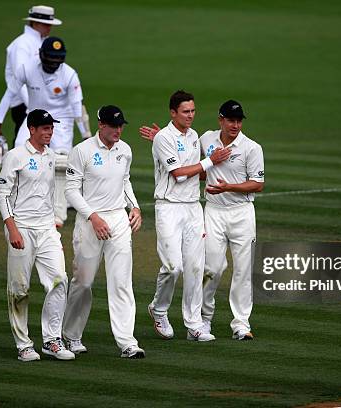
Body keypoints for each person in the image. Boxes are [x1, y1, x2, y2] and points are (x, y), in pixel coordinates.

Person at [146, 90, 230, 342]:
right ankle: (158, 310)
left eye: (193, 111)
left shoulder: (193, 136)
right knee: (173, 267)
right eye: (185, 111)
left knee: (195, 267)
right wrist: (210, 161)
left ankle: (194, 325)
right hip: (169, 208)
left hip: (193, 207)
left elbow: (195, 173)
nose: (191, 116)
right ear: (173, 112)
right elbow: (180, 174)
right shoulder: (163, 137)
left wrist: (216, 175)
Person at [62, 105, 145, 359]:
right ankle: (71, 335)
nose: (118, 130)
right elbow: (71, 191)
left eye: (121, 126)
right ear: (101, 125)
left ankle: (127, 342)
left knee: (121, 282)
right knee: (83, 282)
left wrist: (136, 207)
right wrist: (93, 217)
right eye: (113, 126)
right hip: (90, 221)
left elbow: (125, 180)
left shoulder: (125, 150)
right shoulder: (82, 151)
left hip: (119, 220)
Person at [0, 109, 74, 362]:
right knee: (19, 289)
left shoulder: (52, 156)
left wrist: (55, 220)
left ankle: (52, 340)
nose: (50, 132)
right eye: (45, 128)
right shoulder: (15, 156)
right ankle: (23, 345)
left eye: (51, 128)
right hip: (21, 229)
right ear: (31, 130)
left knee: (60, 280)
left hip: (47, 230)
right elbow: (2, 195)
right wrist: (12, 229)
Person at [199, 100, 265, 340]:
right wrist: (161, 139)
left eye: (238, 121)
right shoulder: (206, 139)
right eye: (231, 120)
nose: (235, 125)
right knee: (212, 268)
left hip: (242, 213)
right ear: (221, 120)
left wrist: (229, 187)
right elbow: (195, 164)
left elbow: (257, 184)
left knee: (243, 271)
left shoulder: (251, 148)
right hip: (213, 212)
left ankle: (241, 323)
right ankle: (204, 319)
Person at [9, 36, 90, 228]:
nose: (54, 63)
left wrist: (85, 134)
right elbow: (12, 92)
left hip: (63, 119)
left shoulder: (69, 74)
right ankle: (22, 204)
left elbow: (78, 107)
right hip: (36, 114)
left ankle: (58, 214)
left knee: (61, 162)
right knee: (19, 156)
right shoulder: (29, 68)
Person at [0, 5, 62, 143]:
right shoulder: (21, 45)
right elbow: (21, 80)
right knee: (23, 147)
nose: (49, 28)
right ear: (35, 23)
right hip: (24, 105)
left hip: (41, 102)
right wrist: (33, 107)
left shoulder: (42, 42)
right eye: (46, 24)